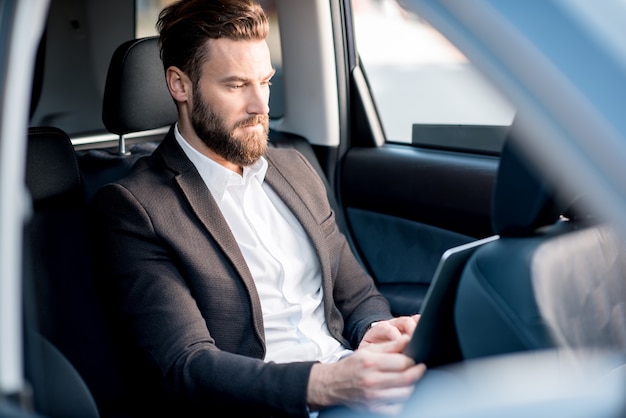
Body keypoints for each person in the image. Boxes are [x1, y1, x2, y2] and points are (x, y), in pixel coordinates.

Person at [91, 0, 425, 416]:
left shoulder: (294, 168)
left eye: (265, 81)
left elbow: (356, 293)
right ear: (180, 85)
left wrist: (374, 330)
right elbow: (186, 365)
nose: (261, 106)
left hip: (356, 390)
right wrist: (323, 383)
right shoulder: (136, 207)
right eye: (236, 86)